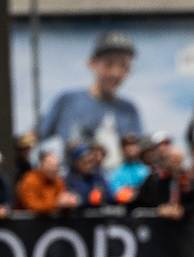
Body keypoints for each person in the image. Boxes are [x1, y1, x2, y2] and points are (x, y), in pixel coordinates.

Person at [37, 29, 144, 162]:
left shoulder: (129, 110)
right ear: (92, 63)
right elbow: (34, 139)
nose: (116, 72)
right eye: (109, 64)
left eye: (123, 65)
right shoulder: (66, 101)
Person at [132, 146, 194, 220]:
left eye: (178, 161)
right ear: (167, 161)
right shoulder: (155, 179)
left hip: (182, 225)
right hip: (157, 222)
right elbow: (143, 197)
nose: (175, 164)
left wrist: (183, 210)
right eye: (173, 161)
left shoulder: (189, 181)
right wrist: (160, 208)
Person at [16, 150, 78, 215]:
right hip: (28, 223)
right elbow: (31, 206)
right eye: (51, 165)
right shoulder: (29, 180)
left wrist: (68, 203)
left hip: (54, 223)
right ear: (41, 165)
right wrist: (56, 204)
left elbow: (62, 199)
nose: (54, 169)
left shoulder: (57, 180)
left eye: (56, 166)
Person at [63, 142, 113, 209]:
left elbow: (110, 196)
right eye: (85, 163)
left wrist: (102, 194)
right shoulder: (69, 180)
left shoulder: (97, 176)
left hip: (99, 216)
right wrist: (81, 199)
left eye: (91, 161)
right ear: (76, 164)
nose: (90, 166)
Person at [109, 132, 148, 201]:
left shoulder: (147, 169)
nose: (129, 148)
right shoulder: (115, 171)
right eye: (126, 145)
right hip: (124, 209)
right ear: (122, 149)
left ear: (138, 147)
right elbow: (116, 194)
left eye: (133, 144)